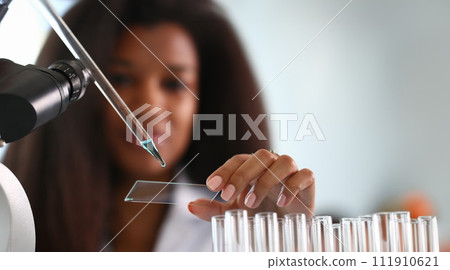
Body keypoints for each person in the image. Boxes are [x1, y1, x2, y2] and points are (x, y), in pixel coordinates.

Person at [4, 0, 315, 251]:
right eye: (121, 79)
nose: (148, 107)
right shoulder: (12, 216)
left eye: (174, 83)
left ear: (204, 100)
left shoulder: (237, 230)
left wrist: (283, 246)